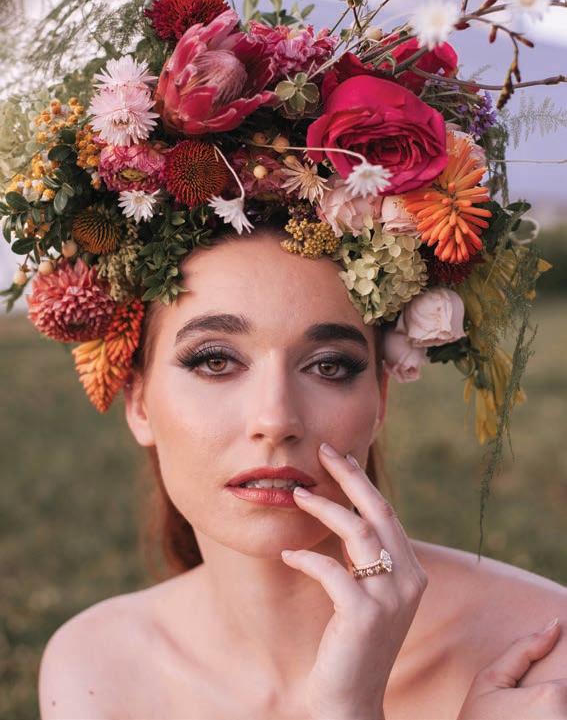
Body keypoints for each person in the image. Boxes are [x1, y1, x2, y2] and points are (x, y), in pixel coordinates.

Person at [37, 222, 566, 720]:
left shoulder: (540, 657)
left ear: (380, 400)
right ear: (138, 403)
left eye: (328, 365)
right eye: (216, 361)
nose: (276, 420)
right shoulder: (98, 669)